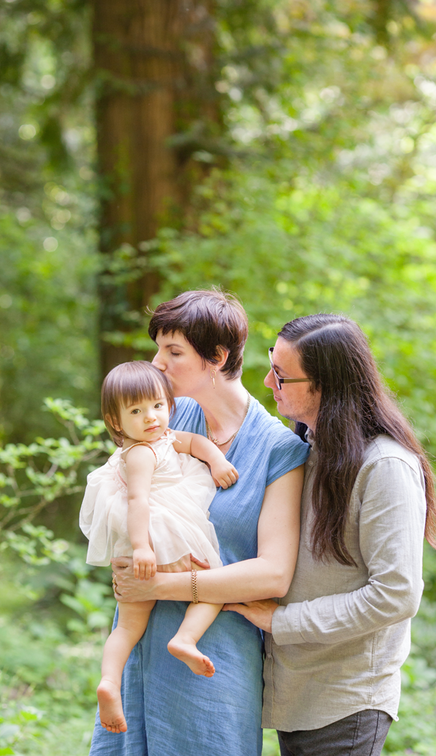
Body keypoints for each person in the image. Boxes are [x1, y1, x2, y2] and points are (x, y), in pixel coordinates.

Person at [88, 289, 310, 756]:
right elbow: (119, 490)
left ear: (217, 357)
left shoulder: (278, 450)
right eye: (158, 349)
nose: (158, 363)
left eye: (173, 352)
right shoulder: (163, 418)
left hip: (213, 658)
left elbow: (273, 574)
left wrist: (157, 587)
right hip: (141, 645)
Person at [224, 313, 436, 756]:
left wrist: (280, 621)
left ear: (325, 384)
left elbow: (397, 594)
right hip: (298, 693)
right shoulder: (308, 446)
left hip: (346, 701)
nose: (268, 381)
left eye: (283, 376)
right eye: (272, 363)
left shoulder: (384, 465)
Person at [79, 360, 239, 733]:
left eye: (157, 405)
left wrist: (215, 459)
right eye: (136, 411)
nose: (150, 417)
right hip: (160, 539)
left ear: (169, 405)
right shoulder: (140, 454)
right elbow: (137, 501)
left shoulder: (164, 437)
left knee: (128, 627)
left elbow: (196, 442)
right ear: (116, 422)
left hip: (148, 546)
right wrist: (142, 547)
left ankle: (109, 680)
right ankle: (185, 638)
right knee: (212, 586)